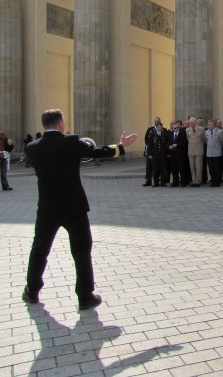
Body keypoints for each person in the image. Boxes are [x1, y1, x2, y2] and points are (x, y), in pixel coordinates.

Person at [23, 108, 137, 310]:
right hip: (73, 207)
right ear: (60, 123)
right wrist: (121, 146)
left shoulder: (32, 148)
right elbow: (96, 152)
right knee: (82, 251)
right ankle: (85, 297)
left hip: (47, 208)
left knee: (39, 249)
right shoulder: (70, 142)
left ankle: (31, 292)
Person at [167, 120, 190, 187]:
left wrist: (177, 145)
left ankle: (183, 182)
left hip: (180, 154)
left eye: (177, 128)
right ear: (172, 128)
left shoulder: (183, 133)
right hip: (173, 154)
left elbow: (184, 143)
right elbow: (167, 143)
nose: (176, 129)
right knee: (174, 169)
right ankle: (175, 182)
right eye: (175, 128)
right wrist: (169, 146)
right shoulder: (170, 134)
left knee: (182, 168)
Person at [147, 121, 169, 187]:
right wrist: (149, 154)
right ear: (156, 127)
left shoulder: (164, 133)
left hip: (162, 155)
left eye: (161, 127)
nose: (160, 129)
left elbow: (166, 144)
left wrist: (167, 153)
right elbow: (150, 145)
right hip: (155, 154)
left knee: (163, 169)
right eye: (159, 127)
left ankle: (163, 182)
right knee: (155, 169)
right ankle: (156, 182)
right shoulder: (152, 134)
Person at [186, 117, 205, 187]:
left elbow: (203, 140)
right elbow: (187, 139)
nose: (190, 124)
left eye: (191, 123)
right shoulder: (187, 130)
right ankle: (193, 181)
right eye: (189, 123)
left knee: (198, 167)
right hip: (191, 151)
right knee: (192, 167)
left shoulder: (201, 129)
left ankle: (198, 181)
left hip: (199, 150)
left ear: (195, 122)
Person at [142, 117, 162, 186]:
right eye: (155, 121)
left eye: (157, 121)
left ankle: (156, 180)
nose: (156, 122)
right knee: (148, 166)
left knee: (156, 167)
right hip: (150, 151)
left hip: (157, 152)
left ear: (160, 121)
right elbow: (146, 138)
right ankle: (148, 180)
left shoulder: (162, 129)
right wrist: (150, 146)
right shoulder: (150, 129)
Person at [205, 119, 223, 187]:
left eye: (210, 124)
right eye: (208, 124)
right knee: (211, 169)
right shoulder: (206, 132)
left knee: (217, 168)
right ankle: (213, 181)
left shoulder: (219, 132)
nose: (209, 126)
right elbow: (206, 141)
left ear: (214, 125)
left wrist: (218, 147)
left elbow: (222, 142)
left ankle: (217, 181)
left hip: (217, 152)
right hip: (209, 153)